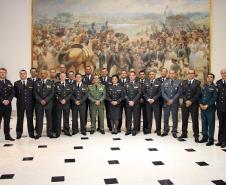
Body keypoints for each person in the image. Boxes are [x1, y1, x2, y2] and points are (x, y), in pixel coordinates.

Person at [179, 69, 201, 142]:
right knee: (184, 119)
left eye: (192, 73)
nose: (190, 74)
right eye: (189, 73)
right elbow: (182, 93)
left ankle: (196, 135)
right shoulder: (184, 82)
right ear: (187, 74)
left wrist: (191, 101)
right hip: (185, 104)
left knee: (195, 120)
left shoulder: (197, 82)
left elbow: (197, 94)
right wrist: (186, 101)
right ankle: (184, 133)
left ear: (194, 74)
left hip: (194, 104)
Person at [33, 70, 54, 139]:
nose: (42, 74)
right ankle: (39, 133)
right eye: (41, 73)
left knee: (50, 119)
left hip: (48, 103)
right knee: (39, 119)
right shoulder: (36, 83)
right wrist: (40, 100)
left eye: (44, 73)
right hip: (39, 104)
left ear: (46, 74)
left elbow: (52, 93)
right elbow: (35, 93)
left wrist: (45, 100)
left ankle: (50, 133)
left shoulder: (50, 82)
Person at [14, 70, 35, 139]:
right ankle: (19, 133)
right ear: (19, 75)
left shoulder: (31, 83)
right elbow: (15, 94)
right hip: (20, 104)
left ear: (26, 75)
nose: (23, 75)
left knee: (30, 119)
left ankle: (31, 133)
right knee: (20, 119)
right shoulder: (16, 83)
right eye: (21, 74)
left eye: (24, 74)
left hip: (30, 104)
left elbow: (33, 94)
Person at [161, 69, 182, 138]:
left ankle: (174, 131)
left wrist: (172, 100)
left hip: (174, 103)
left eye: (173, 73)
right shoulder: (165, 82)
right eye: (170, 73)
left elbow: (179, 92)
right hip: (166, 103)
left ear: (175, 74)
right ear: (168, 74)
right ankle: (165, 130)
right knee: (166, 117)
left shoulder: (178, 82)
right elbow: (163, 92)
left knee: (174, 118)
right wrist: (168, 100)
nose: (172, 74)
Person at [199, 73, 218, 146]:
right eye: (208, 77)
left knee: (211, 124)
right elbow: (200, 96)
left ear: (213, 79)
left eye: (211, 77)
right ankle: (204, 137)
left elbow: (214, 98)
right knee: (204, 123)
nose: (209, 78)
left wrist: (207, 105)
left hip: (210, 108)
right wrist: (200, 104)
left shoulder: (215, 87)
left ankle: (211, 139)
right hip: (202, 108)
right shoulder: (204, 86)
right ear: (206, 78)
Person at [143, 69, 161, 135]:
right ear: (149, 75)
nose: (151, 75)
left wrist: (153, 99)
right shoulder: (146, 82)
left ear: (155, 75)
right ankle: (149, 129)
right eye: (150, 74)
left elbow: (160, 92)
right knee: (149, 116)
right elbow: (143, 92)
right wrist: (148, 99)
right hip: (148, 103)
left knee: (157, 116)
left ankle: (158, 130)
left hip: (156, 102)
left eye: (153, 74)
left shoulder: (158, 82)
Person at [124, 71, 141, 136]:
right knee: (128, 117)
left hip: (136, 103)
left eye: (133, 75)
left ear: (135, 76)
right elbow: (125, 94)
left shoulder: (138, 84)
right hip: (128, 103)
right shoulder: (126, 84)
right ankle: (128, 130)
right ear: (129, 76)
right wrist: (129, 101)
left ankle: (135, 130)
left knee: (136, 117)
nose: (131, 76)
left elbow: (139, 93)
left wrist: (133, 101)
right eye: (130, 75)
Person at [0, 68, 15, 141]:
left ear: (6, 73)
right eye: (1, 72)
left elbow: (13, 92)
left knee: (7, 121)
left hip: (8, 106)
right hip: (0, 105)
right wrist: (2, 100)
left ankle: (7, 135)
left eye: (4, 72)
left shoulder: (9, 82)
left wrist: (8, 100)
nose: (2, 73)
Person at [216, 68, 226, 148]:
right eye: (222, 73)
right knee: (220, 124)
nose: (224, 74)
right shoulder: (218, 82)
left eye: (225, 73)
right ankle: (220, 140)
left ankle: (224, 141)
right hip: (220, 107)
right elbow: (217, 96)